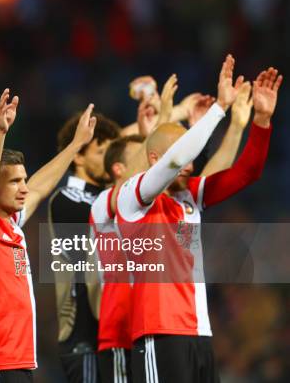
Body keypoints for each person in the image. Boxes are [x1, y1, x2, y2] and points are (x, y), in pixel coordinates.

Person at [115, 56, 281, 383]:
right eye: (186, 155)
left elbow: (247, 172)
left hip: (199, 332)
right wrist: (220, 108)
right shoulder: (132, 197)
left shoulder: (189, 196)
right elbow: (177, 157)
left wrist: (261, 121)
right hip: (158, 334)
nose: (192, 163)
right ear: (153, 158)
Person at [0, 89, 97, 382]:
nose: (24, 188)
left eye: (23, 180)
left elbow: (41, 186)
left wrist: (75, 145)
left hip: (19, 362)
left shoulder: (13, 224)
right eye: (15, 182)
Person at [46, 112, 120, 383]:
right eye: (102, 151)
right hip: (83, 336)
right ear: (78, 156)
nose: (110, 160)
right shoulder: (66, 200)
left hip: (113, 334)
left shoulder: (106, 196)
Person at [89, 134, 145, 383]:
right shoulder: (103, 203)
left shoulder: (151, 207)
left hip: (151, 330)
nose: (149, 162)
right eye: (140, 156)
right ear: (118, 169)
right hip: (119, 334)